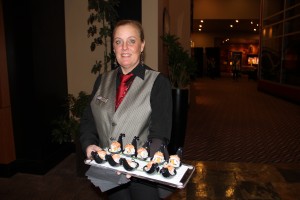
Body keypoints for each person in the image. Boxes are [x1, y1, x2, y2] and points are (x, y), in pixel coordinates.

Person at [79, 20, 173, 200]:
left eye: (131, 41)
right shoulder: (102, 80)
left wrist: (140, 163)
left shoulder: (158, 82)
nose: (124, 48)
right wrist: (89, 145)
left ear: (142, 45)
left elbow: (159, 134)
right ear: (113, 47)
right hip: (109, 170)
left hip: (143, 176)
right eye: (118, 41)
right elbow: (88, 120)